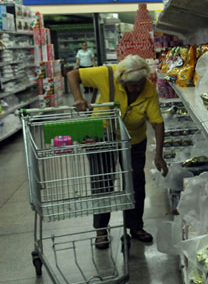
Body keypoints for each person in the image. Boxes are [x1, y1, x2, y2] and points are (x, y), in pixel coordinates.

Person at [68, 54, 168, 249]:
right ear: (122, 80)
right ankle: (101, 230)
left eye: (141, 82)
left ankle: (136, 226)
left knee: (136, 182)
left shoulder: (148, 89)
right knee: (102, 182)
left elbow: (157, 123)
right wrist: (78, 98)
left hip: (134, 139)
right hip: (102, 136)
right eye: (133, 85)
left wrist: (159, 155)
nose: (138, 87)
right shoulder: (106, 74)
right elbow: (72, 75)